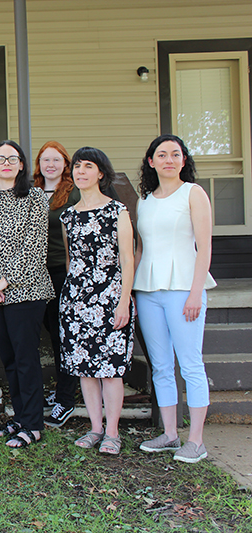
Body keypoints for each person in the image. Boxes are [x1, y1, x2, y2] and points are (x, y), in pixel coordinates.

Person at [134, 134, 216, 464]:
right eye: (161, 154)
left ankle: (195, 440)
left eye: (175, 154)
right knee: (162, 366)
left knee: (190, 363)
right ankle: (170, 434)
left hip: (184, 288)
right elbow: (140, 250)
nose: (169, 159)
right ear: (151, 162)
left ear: (183, 160)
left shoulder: (193, 193)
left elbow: (205, 247)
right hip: (149, 291)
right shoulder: (144, 201)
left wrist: (196, 292)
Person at [0, 140, 54, 449]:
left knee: (26, 358)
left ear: (21, 166)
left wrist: (3, 282)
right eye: (0, 158)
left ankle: (33, 424)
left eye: (12, 158)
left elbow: (34, 248)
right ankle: (20, 416)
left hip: (26, 290)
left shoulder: (34, 199)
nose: (6, 162)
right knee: (9, 359)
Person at [59, 147, 135, 455]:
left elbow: (128, 260)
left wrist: (124, 302)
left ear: (100, 173)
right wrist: (73, 298)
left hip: (110, 298)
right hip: (76, 300)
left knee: (110, 370)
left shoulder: (118, 211)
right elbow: (69, 260)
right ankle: (95, 428)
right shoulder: (68, 215)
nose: (81, 172)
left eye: (88, 166)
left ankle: (112, 433)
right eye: (77, 166)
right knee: (86, 369)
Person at [32, 141, 81, 428]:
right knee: (50, 333)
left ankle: (65, 399)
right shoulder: (32, 193)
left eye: (56, 160)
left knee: (63, 336)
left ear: (66, 163)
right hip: (36, 272)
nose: (50, 165)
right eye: (45, 160)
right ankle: (60, 391)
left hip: (64, 271)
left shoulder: (73, 193)